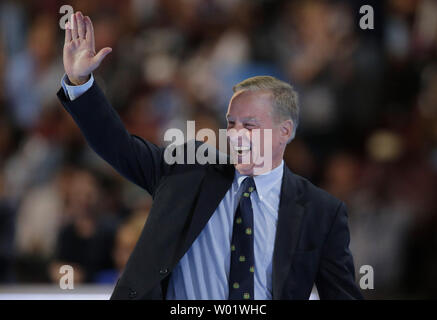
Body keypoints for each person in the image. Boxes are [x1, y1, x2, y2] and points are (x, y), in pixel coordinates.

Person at [57, 11, 363, 300]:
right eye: (231, 123)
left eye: (250, 125)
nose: (236, 134)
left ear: (285, 132)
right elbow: (118, 146)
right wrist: (82, 84)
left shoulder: (321, 211)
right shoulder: (187, 172)